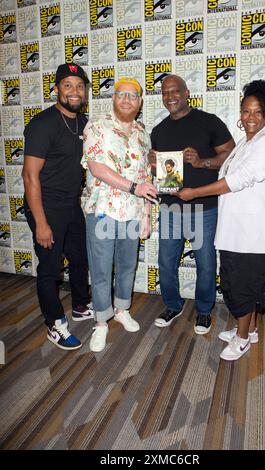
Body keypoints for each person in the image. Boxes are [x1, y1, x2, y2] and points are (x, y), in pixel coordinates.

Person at [177, 79, 265, 361]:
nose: (250, 117)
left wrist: (193, 193)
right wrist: (201, 163)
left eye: (258, 112)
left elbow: (235, 181)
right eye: (246, 111)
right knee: (244, 285)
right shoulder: (245, 143)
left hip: (253, 234)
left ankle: (243, 337)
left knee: (244, 288)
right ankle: (250, 330)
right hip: (237, 232)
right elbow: (224, 167)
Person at [149, 74, 235, 335]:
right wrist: (152, 166)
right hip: (170, 208)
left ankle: (204, 311)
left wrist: (202, 162)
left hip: (203, 209)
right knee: (166, 262)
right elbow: (160, 174)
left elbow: (232, 157)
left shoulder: (208, 122)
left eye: (175, 91)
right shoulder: (158, 130)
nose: (170, 96)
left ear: (187, 93)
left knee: (206, 264)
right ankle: (173, 306)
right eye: (165, 92)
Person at [82, 77, 158, 353]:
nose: (126, 99)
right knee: (101, 270)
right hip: (102, 210)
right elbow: (96, 167)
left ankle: (122, 309)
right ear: (113, 98)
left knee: (127, 266)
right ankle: (101, 322)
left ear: (139, 103)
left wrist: (147, 214)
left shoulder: (142, 132)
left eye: (132, 96)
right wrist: (134, 188)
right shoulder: (97, 125)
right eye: (121, 94)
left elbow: (146, 176)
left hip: (132, 212)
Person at [22, 63, 93, 351]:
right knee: (50, 270)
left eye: (79, 86)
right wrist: (40, 221)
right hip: (46, 207)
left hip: (71, 205)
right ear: (56, 90)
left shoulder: (84, 122)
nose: (74, 92)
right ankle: (54, 324)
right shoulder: (42, 124)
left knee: (79, 258)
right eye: (68, 85)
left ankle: (79, 305)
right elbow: (30, 176)